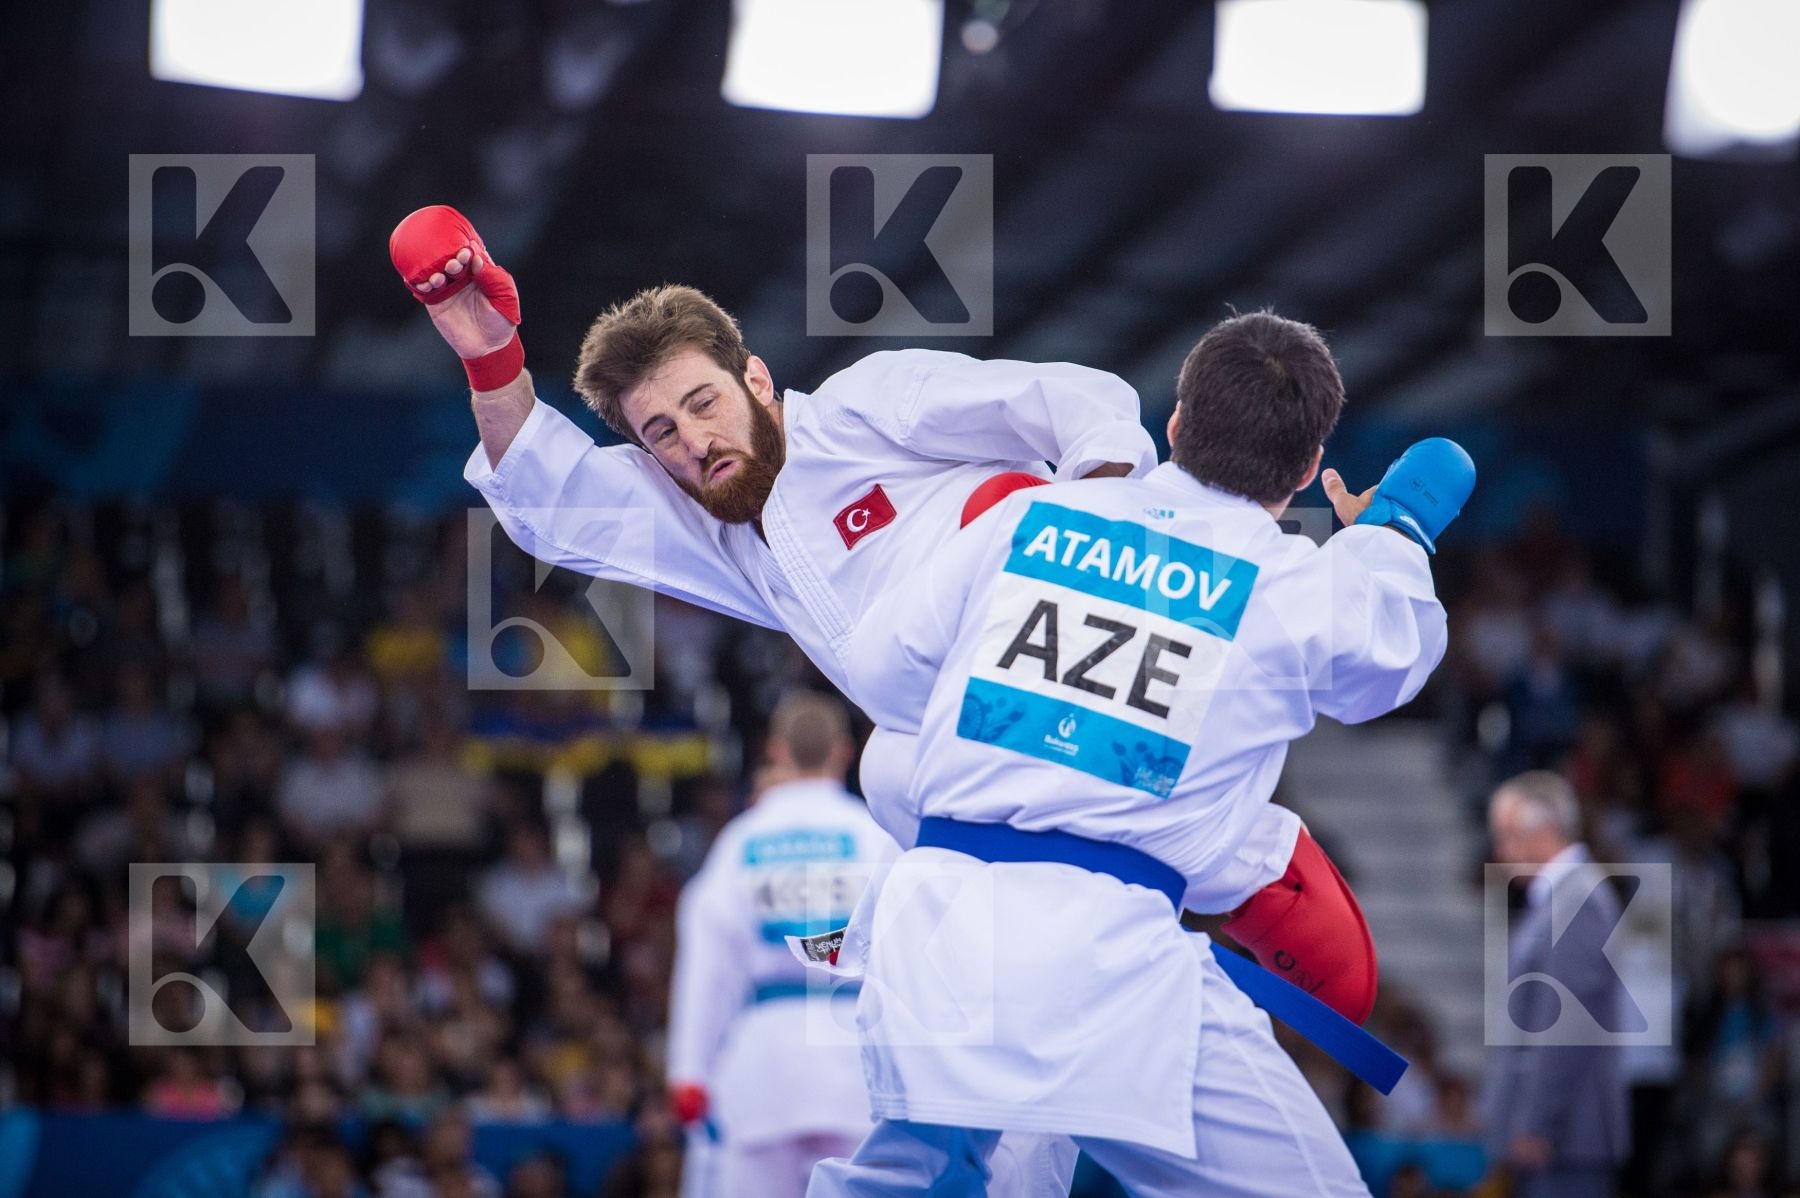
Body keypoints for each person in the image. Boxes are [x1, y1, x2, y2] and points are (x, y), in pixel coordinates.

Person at [389, 206, 1372, 1192]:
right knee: (899, 790)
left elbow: (1071, 396)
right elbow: (557, 501)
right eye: (662, 432)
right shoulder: (716, 523)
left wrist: (1099, 506)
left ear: (757, 380)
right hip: (965, 767)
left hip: (1080, 633)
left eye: (701, 402)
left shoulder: (865, 405)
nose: (691, 440)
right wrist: (490, 355)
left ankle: (1246, 853)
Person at [818, 311, 1472, 1195]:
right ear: (1309, 468)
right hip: (1108, 959)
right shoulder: (1286, 581)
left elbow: (886, 667)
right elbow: (1390, 657)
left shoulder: (1030, 517)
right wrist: (1394, 531)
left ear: (1174, 421)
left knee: (913, 1178)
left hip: (936, 920)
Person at [667, 692, 899, 1198]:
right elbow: (907, 955)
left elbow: (709, 964)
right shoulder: (874, 836)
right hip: (854, 1058)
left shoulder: (741, 843)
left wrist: (690, 1071)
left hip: (763, 1065)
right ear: (844, 751)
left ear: (775, 751)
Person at [1481, 770, 1632, 1198]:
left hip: (1564, 1139)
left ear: (1544, 830)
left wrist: (1536, 1123)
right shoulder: (1562, 900)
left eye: (1507, 833)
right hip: (1556, 1137)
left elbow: (1564, 1026)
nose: (1500, 848)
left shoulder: (1579, 901)